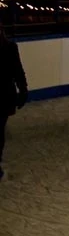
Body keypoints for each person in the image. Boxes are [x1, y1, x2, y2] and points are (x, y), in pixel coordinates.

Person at [0, 25, 28, 181]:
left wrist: (23, 89)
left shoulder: (10, 47)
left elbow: (17, 70)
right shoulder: (9, 47)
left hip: (4, 96)